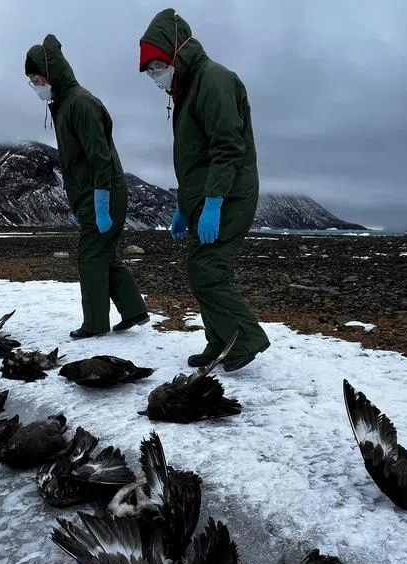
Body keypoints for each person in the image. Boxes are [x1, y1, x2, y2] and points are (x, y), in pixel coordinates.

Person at [138, 9, 270, 372]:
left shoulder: (214, 80)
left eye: (157, 65)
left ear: (176, 53)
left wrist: (213, 203)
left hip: (229, 193)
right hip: (206, 197)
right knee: (203, 269)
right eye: (149, 70)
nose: (154, 75)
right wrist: (185, 206)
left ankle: (246, 338)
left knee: (207, 268)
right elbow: (194, 160)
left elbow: (226, 146)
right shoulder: (188, 88)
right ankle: (220, 341)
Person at [25, 34, 149, 340]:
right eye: (31, 81)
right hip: (92, 195)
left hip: (104, 192)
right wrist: (81, 203)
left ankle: (95, 324)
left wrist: (101, 201)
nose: (35, 86)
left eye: (37, 78)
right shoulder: (65, 104)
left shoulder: (80, 103)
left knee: (91, 255)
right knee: (103, 252)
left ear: (51, 74)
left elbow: (98, 156)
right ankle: (134, 311)